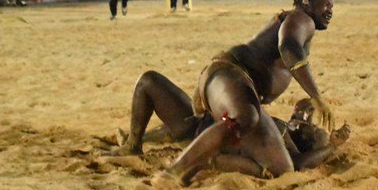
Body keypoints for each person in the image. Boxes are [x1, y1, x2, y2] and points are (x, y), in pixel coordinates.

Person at [156, 0, 335, 183]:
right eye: (326, 4)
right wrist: (316, 96)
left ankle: (202, 158)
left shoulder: (296, 21)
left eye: (332, 6)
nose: (330, 11)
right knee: (244, 118)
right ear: (305, 1)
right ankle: (174, 171)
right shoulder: (301, 18)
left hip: (236, 86)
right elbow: (289, 48)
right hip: (230, 76)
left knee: (282, 169)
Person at [107, 70, 350, 179]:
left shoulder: (282, 142)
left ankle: (150, 146)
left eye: (313, 127)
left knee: (153, 88)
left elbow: (299, 164)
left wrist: (333, 147)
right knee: (148, 81)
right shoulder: (284, 124)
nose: (308, 121)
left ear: (306, 139)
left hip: (200, 139)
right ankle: (133, 143)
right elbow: (303, 106)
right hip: (197, 124)